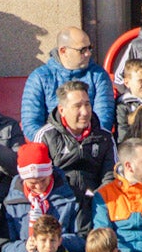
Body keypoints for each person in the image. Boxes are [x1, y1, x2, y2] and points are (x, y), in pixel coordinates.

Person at [31, 82, 116, 226]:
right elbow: (38, 177)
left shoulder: (104, 137)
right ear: (62, 110)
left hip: (95, 204)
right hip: (58, 203)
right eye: (77, 106)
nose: (85, 112)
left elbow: (110, 176)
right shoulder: (46, 136)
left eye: (87, 104)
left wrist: (95, 197)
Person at [21, 26, 115, 138]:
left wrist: (84, 144)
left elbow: (104, 118)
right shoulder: (39, 78)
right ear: (63, 51)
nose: (88, 54)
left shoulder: (99, 75)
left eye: (90, 48)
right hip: (51, 147)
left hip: (90, 145)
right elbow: (31, 124)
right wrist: (55, 145)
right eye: (82, 50)